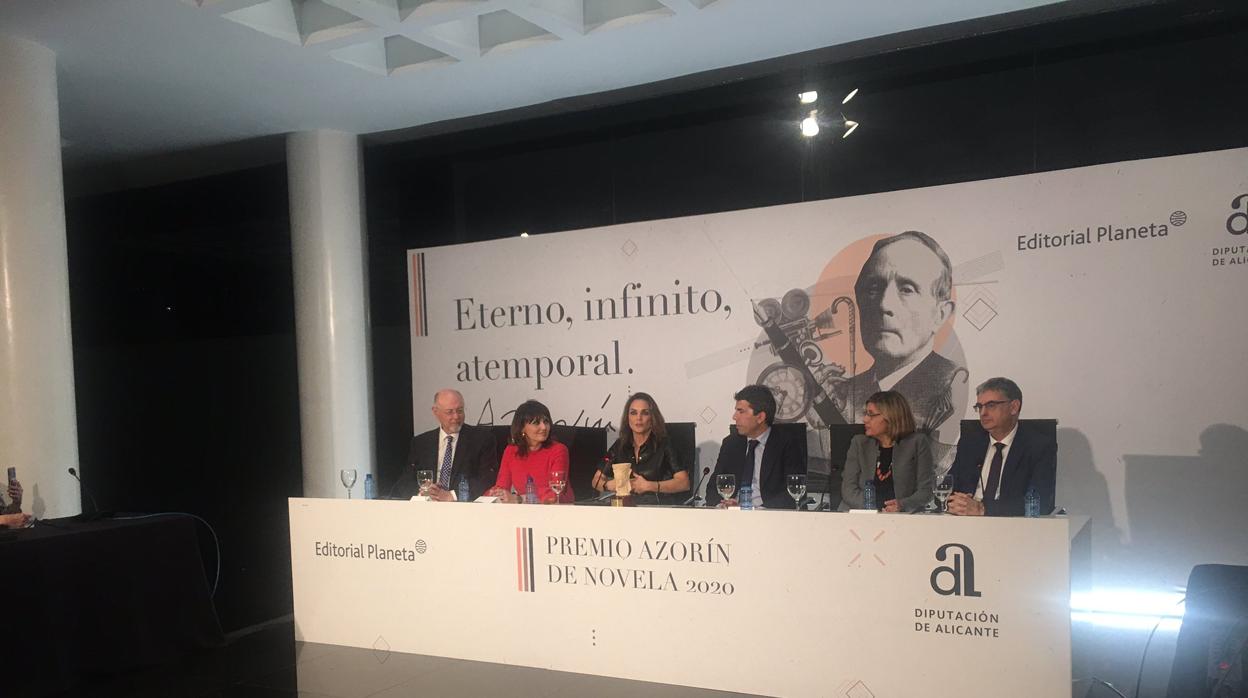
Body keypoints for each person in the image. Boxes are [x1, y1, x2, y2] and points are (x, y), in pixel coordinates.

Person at [831, 231, 964, 434]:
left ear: (940, 315)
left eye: (907, 289)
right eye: (873, 289)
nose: (884, 304)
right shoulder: (843, 394)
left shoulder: (953, 387)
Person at [947, 377, 1056, 517]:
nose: (983, 413)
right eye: (979, 406)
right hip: (965, 522)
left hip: (1012, 525)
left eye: (991, 405)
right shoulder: (970, 443)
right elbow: (946, 490)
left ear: (1014, 407)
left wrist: (983, 509)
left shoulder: (1038, 446)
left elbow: (1040, 502)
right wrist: (955, 503)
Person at [704, 385, 806, 509]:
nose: (734, 417)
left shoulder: (787, 443)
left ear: (760, 417)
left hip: (769, 515)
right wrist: (723, 505)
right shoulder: (731, 444)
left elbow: (794, 491)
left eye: (741, 411)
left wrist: (755, 510)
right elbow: (713, 487)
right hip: (732, 515)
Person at [392, 389, 499, 501]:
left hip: (462, 505)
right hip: (428, 505)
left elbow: (487, 479)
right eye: (449, 412)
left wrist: (452, 495)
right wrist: (422, 492)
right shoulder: (421, 443)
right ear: (435, 412)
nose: (456, 416)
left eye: (460, 410)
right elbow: (406, 481)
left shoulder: (481, 439)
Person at [839, 391, 934, 512]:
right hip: (862, 514)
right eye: (865, 414)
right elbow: (848, 490)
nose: (865, 419)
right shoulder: (859, 443)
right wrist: (875, 508)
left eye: (871, 414)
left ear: (891, 417)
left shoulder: (917, 443)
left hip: (901, 517)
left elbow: (925, 491)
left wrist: (901, 505)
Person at [592, 392, 688, 504]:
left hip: (658, 509)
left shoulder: (665, 444)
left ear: (652, 418)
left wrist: (650, 486)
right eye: (633, 413)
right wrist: (608, 485)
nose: (638, 418)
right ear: (627, 418)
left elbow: (684, 483)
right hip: (626, 509)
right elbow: (596, 480)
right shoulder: (620, 445)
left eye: (645, 413)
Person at [486, 400, 574, 504]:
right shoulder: (511, 451)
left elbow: (554, 494)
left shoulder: (559, 450)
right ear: (522, 428)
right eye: (536, 423)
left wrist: (518, 499)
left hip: (559, 509)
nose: (544, 427)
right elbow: (502, 486)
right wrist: (495, 494)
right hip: (526, 509)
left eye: (546, 421)